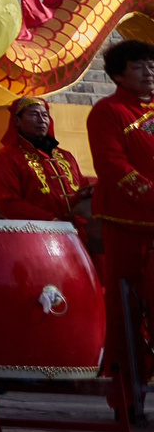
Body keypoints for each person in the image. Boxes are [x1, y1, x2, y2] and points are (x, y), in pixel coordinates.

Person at [88, 38, 154, 411]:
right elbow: (111, 165)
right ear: (118, 75)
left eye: (151, 65)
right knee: (126, 310)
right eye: (138, 66)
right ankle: (127, 394)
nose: (149, 72)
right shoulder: (108, 111)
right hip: (127, 224)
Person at [0, 96, 85, 224]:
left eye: (45, 115)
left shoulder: (66, 156)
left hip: (77, 231)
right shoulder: (7, 157)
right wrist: (49, 220)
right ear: (17, 121)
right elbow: (7, 202)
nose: (41, 120)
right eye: (34, 115)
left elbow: (83, 188)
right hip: (38, 231)